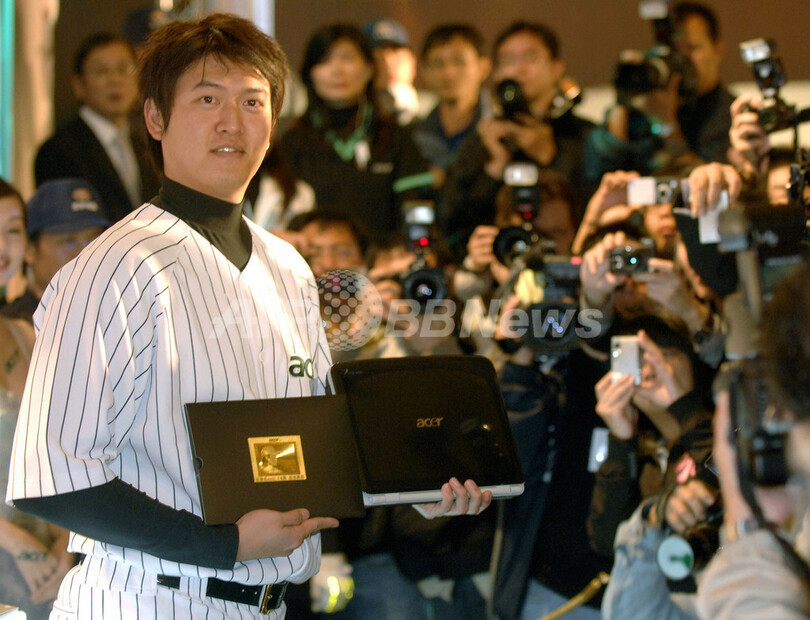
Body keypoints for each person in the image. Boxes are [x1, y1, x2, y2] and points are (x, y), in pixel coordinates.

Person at [7, 14, 489, 620]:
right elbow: (52, 480)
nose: (232, 122)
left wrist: (410, 488)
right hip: (148, 600)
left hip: (266, 604)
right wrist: (223, 544)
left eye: (253, 101)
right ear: (155, 117)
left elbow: (310, 446)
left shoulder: (287, 267)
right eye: (207, 98)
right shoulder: (112, 269)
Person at [441, 21, 594, 255]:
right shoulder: (486, 136)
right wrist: (495, 167)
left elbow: (590, 206)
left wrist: (550, 158)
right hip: (499, 260)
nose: (519, 70)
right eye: (508, 61)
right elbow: (451, 221)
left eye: (531, 58)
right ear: (497, 74)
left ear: (556, 68)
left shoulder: (582, 134)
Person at [0, 178, 76, 620]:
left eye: (12, 230)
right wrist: (16, 543)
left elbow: (57, 454)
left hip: (47, 573)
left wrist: (65, 542)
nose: (1, 245)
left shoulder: (26, 336)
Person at [279, 23, 433, 238]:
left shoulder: (395, 137)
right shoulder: (292, 141)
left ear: (369, 69)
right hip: (312, 256)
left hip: (382, 256)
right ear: (309, 74)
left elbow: (417, 206)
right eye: (324, 60)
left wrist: (417, 245)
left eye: (347, 58)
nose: (337, 70)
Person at [584, 2, 734, 182]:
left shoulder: (733, 115)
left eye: (692, 48)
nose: (681, 59)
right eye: (674, 50)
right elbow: (596, 172)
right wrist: (624, 100)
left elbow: (712, 184)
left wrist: (666, 125)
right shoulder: (647, 105)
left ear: (718, 50)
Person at [34, 33, 160, 222]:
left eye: (124, 69)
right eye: (101, 71)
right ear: (79, 85)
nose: (115, 79)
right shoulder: (58, 151)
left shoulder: (146, 145)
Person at [1, 178, 111, 323]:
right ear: (30, 249)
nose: (86, 252)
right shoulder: (15, 325)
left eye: (95, 240)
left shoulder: (114, 314)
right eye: (69, 241)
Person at [412, 24, 492, 181]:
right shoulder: (413, 137)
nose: (448, 73)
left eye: (459, 62)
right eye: (438, 63)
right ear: (424, 72)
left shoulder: (500, 128)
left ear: (483, 68)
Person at [364, 18, 435, 126]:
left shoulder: (435, 108)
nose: (388, 64)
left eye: (396, 54)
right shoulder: (359, 115)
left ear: (412, 61)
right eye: (378, 59)